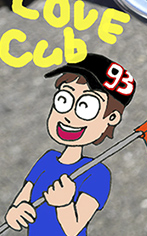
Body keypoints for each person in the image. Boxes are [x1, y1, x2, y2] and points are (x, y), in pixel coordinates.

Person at [4, 53, 135, 235]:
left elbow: (73, 229)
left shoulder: (97, 174)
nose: (68, 115)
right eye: (63, 100)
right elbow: (23, 197)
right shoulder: (48, 159)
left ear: (111, 118)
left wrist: (64, 204)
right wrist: (14, 214)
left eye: (86, 107)